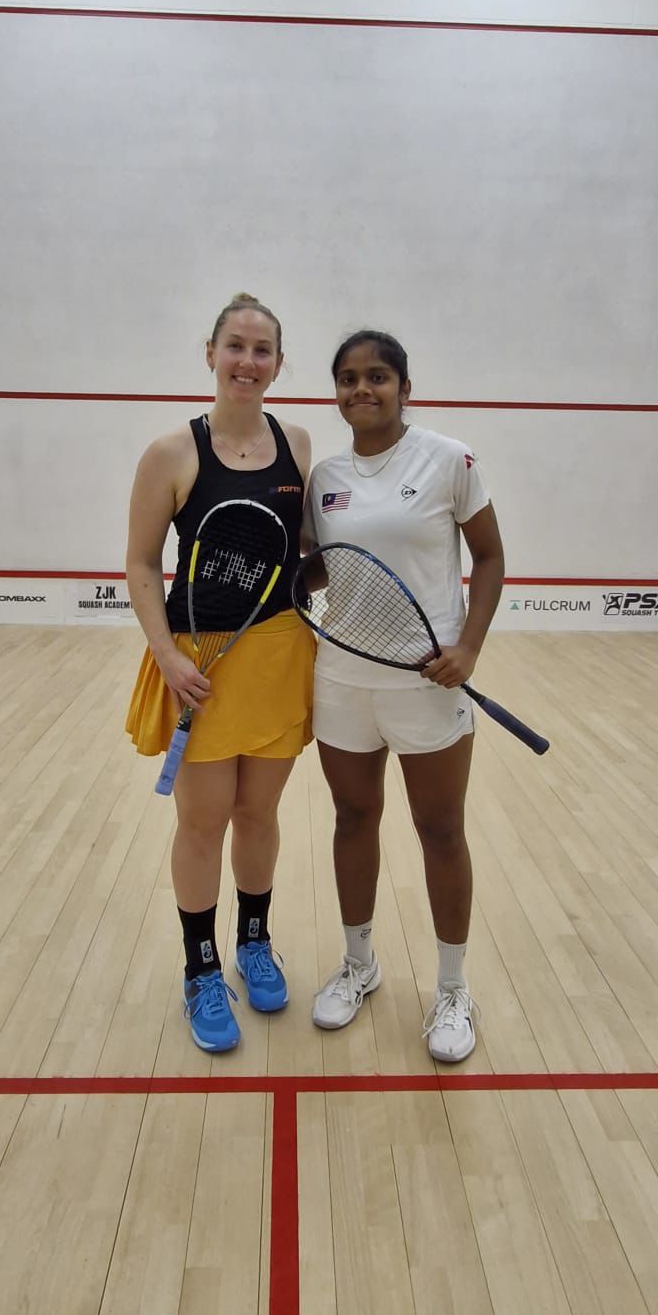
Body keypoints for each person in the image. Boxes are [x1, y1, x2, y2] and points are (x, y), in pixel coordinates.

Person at [305, 330, 505, 1061]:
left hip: (427, 682)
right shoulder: (324, 476)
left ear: (404, 387)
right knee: (352, 817)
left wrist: (468, 647)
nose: (362, 388)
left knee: (440, 829)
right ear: (337, 391)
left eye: (378, 376)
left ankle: (452, 989)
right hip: (343, 678)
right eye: (348, 378)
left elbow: (490, 556)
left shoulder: (449, 460)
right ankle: (359, 966)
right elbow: (321, 569)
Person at [125, 294, 313, 1052]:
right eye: (235, 345)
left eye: (263, 350)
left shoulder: (298, 444)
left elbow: (302, 556)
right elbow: (142, 565)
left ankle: (253, 942)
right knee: (202, 821)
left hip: (279, 655)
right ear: (210, 353)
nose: (248, 361)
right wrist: (167, 657)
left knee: (259, 815)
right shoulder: (171, 454)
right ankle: (201, 969)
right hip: (197, 663)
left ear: (278, 363)